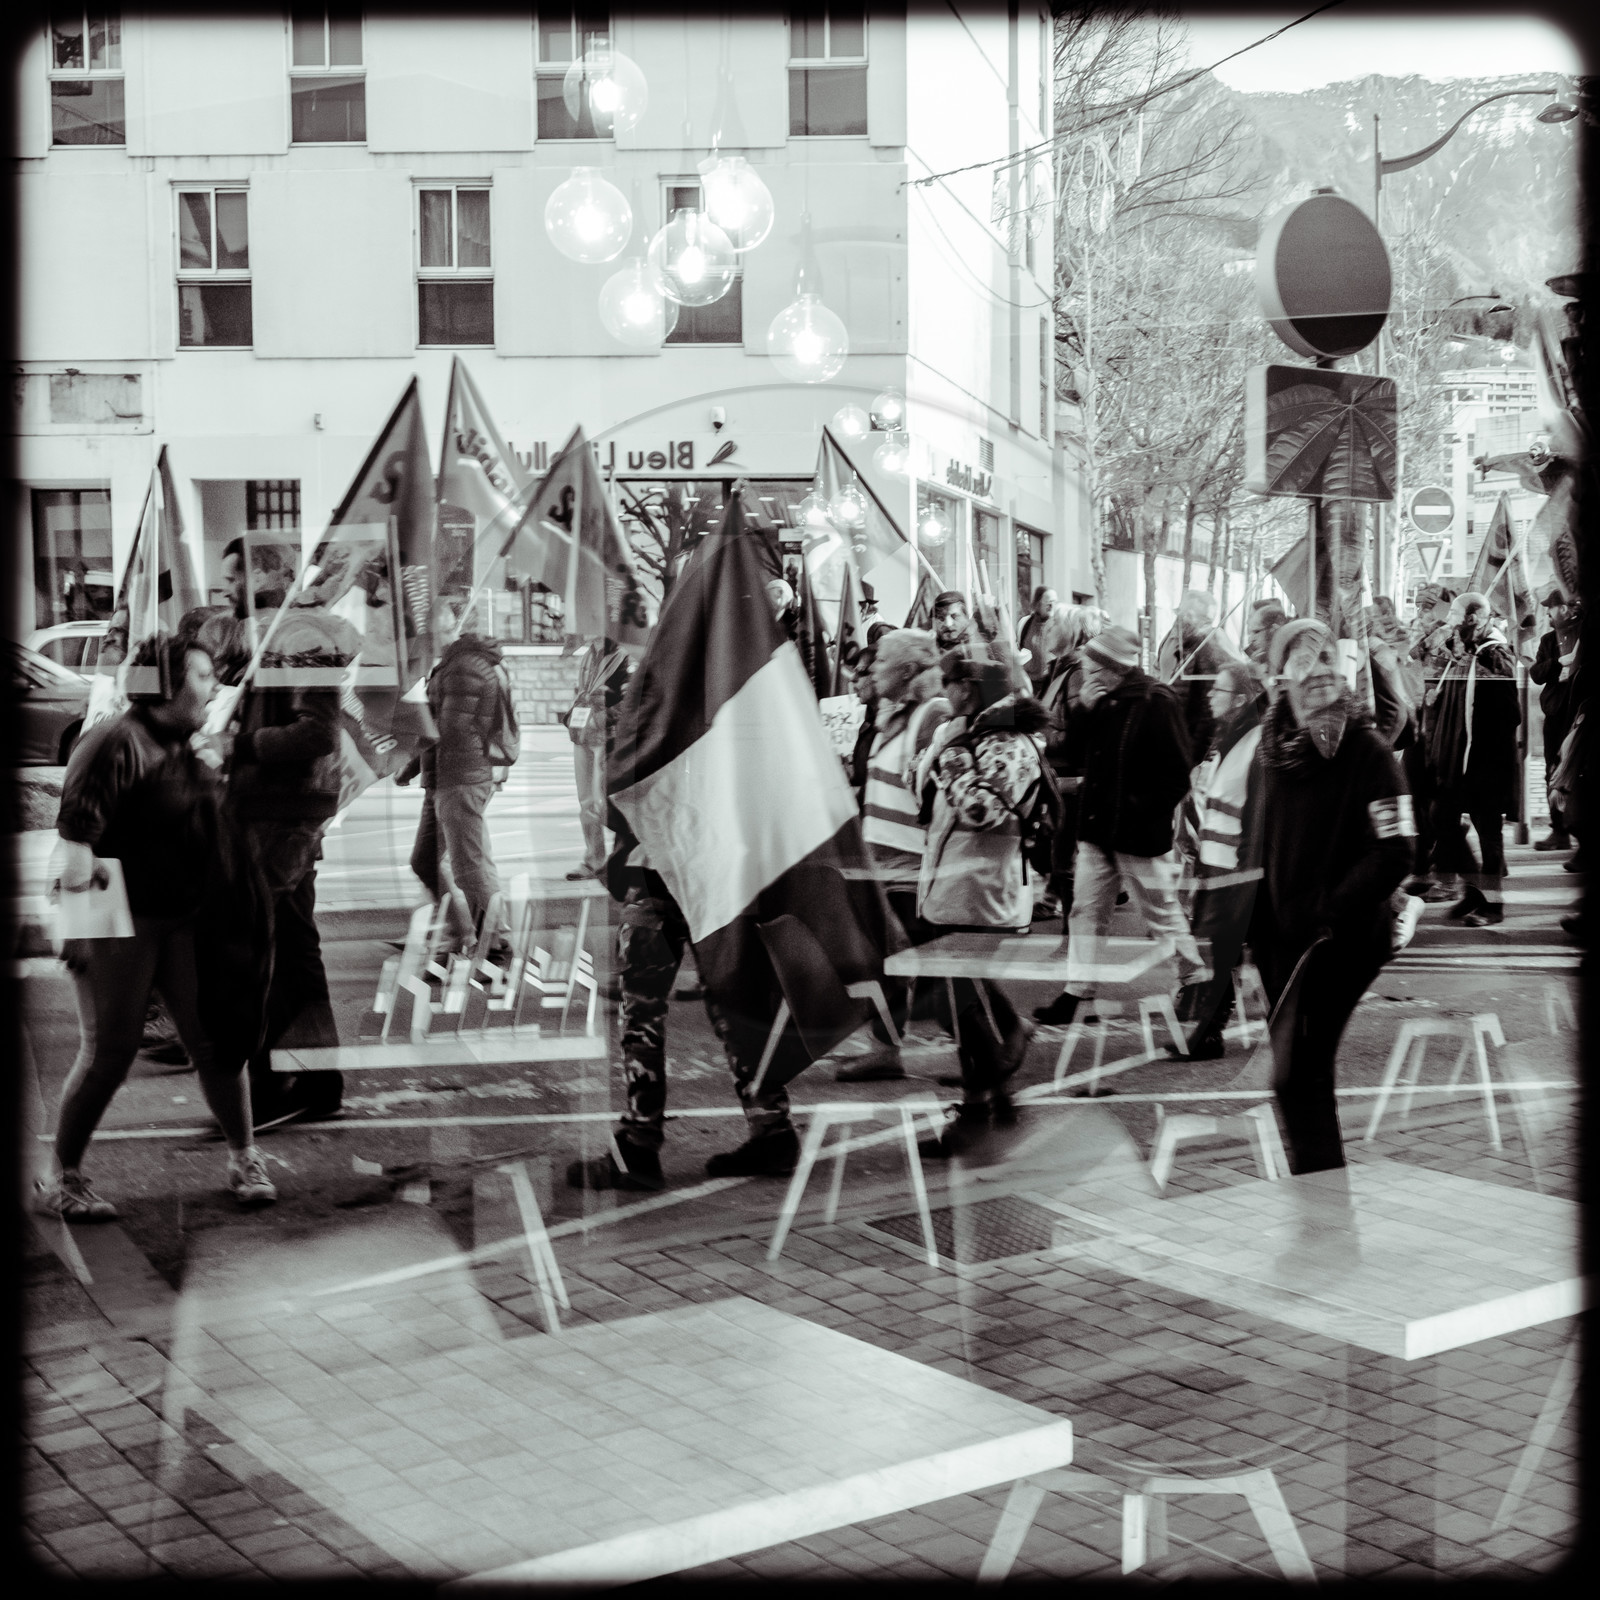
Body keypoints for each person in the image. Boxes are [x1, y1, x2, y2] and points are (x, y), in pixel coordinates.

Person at [38, 634, 276, 1220]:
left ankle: (245, 1158)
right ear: (164, 684)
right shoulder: (115, 742)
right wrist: (78, 933)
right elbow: (75, 844)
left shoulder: (185, 742)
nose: (212, 685)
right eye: (199, 675)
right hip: (121, 920)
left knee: (214, 1043)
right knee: (110, 1052)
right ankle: (61, 1181)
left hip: (187, 919)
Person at [1252, 618, 1414, 1189]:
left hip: (1338, 939)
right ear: (1280, 678)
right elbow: (1260, 841)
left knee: (1298, 1073)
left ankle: (1323, 1212)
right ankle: (1319, 1204)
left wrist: (1328, 911)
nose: (1319, 671)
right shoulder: (1271, 748)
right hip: (1281, 941)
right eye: (1303, 660)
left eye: (1327, 659)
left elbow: (1396, 850)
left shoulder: (1366, 750)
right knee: (1296, 1076)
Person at [568, 815, 810, 1188]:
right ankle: (772, 1126)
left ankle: (639, 1142)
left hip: (659, 866)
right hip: (722, 862)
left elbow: (618, 797)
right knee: (732, 1000)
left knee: (642, 1007)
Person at [216, 535, 344, 1130]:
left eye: (235, 577)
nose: (226, 588)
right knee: (288, 949)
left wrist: (237, 745)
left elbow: (317, 734)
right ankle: (315, 1081)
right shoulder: (271, 635)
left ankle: (276, 1086)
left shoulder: (302, 637)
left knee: (264, 954)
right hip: (266, 816)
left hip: (283, 818)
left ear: (269, 575)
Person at [1034, 625, 1205, 1036]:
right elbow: (1075, 755)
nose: (1086, 671)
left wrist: (1139, 809)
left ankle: (1196, 981)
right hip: (1097, 830)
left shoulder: (1156, 702)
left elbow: (1177, 773)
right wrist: (1084, 713)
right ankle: (1079, 991)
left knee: (1162, 913)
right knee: (1086, 910)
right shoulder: (1103, 701)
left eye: (1093, 664)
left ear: (1112, 668)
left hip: (1138, 835)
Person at [913, 652, 1045, 1155]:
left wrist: (949, 759)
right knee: (964, 1002)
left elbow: (981, 810)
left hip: (982, 893)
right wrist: (937, 754)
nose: (942, 690)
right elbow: (925, 795)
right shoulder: (967, 734)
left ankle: (978, 1110)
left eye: (948, 682)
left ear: (968, 688)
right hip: (954, 889)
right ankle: (1001, 1087)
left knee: (962, 1005)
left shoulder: (1010, 742)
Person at [848, 628, 952, 1081]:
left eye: (882, 661)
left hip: (914, 868)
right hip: (886, 867)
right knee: (891, 966)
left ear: (908, 671)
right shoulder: (897, 716)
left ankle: (1003, 1034)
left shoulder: (933, 714)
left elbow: (941, 793)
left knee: (936, 973)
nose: (872, 668)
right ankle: (884, 1048)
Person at [1172, 659, 1268, 1058]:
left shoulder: (1257, 743)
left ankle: (1209, 1033)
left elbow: (1257, 814)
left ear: (1241, 699)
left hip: (1235, 868)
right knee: (1225, 949)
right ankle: (1212, 1028)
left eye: (1219, 691)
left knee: (1221, 948)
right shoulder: (1226, 737)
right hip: (1215, 863)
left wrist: (1246, 871)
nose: (1210, 696)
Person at [1425, 592, 1520, 926]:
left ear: (1475, 619)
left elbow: (1511, 713)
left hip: (1486, 764)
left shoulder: (1496, 655)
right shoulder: (1460, 653)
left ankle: (1493, 906)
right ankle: (1472, 891)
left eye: (1456, 614)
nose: (1450, 619)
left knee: (1489, 835)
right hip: (1457, 762)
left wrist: (1476, 667)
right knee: (1441, 817)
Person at [1037, 603, 1102, 922]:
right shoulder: (1058, 669)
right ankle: (1058, 904)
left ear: (1071, 633)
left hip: (1070, 775)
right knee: (1061, 848)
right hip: (1058, 770)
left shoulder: (1075, 672)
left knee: (1064, 851)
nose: (1046, 629)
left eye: (1053, 624)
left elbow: (1079, 731)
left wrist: (1042, 740)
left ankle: (1072, 927)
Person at [559, 634, 632, 882]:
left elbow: (631, 703)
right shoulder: (589, 655)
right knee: (587, 802)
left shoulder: (624, 656)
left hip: (607, 738)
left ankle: (623, 860)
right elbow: (584, 693)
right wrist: (572, 715)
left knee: (604, 803)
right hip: (583, 736)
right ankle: (594, 859)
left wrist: (600, 719)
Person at [1158, 589, 1243, 756]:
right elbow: (1159, 672)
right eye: (1202, 618)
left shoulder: (1207, 644)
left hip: (1186, 731)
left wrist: (1198, 747)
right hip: (1168, 723)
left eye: (1208, 620)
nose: (1205, 626)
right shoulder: (1171, 638)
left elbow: (1207, 701)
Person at [1529, 590, 1584, 852]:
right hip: (1555, 714)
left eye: (1552, 607)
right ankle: (1558, 830)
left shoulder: (1584, 633)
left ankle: (1582, 834)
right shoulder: (1548, 640)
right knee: (1552, 771)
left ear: (1564, 608)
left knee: (1581, 773)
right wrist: (1558, 662)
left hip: (1580, 714)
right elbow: (1537, 673)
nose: (1548, 613)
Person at [1017, 585, 1058, 692]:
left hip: (1050, 684)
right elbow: (1020, 648)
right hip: (1029, 682)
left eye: (1055, 602)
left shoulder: (1058, 626)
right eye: (1048, 603)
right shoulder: (1025, 623)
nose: (1052, 607)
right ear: (1038, 603)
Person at [1245, 599, 1288, 668]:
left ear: (1273, 630)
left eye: (1257, 632)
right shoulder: (1263, 657)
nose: (1252, 639)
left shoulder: (1289, 658)